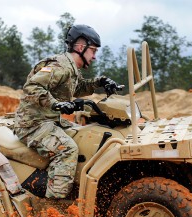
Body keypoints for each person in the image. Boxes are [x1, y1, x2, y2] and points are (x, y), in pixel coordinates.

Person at [13, 24, 122, 199]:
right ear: (80, 47)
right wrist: (56, 104)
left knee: (85, 136)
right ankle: (54, 203)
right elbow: (32, 86)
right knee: (68, 150)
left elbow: (78, 88)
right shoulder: (60, 66)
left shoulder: (71, 68)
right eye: (93, 50)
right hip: (33, 124)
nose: (94, 57)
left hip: (50, 121)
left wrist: (101, 81)